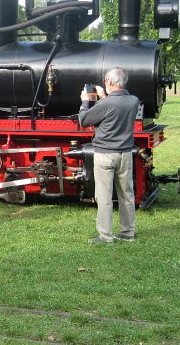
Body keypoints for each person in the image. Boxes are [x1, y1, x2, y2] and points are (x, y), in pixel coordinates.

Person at [78, 67, 139, 244]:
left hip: (105, 154)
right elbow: (114, 108)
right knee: (127, 194)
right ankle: (128, 232)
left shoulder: (105, 104)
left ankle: (105, 235)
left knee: (104, 197)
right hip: (125, 154)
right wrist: (104, 96)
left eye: (106, 81)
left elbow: (84, 120)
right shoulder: (133, 101)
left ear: (110, 83)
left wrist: (84, 101)